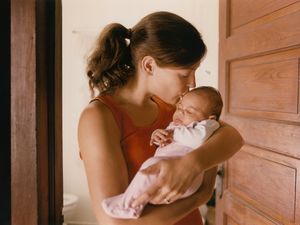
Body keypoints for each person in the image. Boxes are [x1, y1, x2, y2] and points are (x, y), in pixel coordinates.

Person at [78, 11, 243, 225]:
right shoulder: (99, 117)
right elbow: (116, 222)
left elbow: (232, 137)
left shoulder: (176, 109)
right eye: (184, 74)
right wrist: (198, 196)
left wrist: (191, 164)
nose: (193, 83)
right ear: (149, 66)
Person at [101, 86, 223, 219]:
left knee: (151, 166)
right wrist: (158, 136)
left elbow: (197, 138)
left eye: (188, 111)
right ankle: (131, 201)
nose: (180, 113)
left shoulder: (208, 126)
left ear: (210, 118)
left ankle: (129, 206)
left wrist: (172, 133)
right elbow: (167, 145)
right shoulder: (177, 126)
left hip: (187, 180)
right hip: (168, 174)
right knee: (148, 172)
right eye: (179, 108)